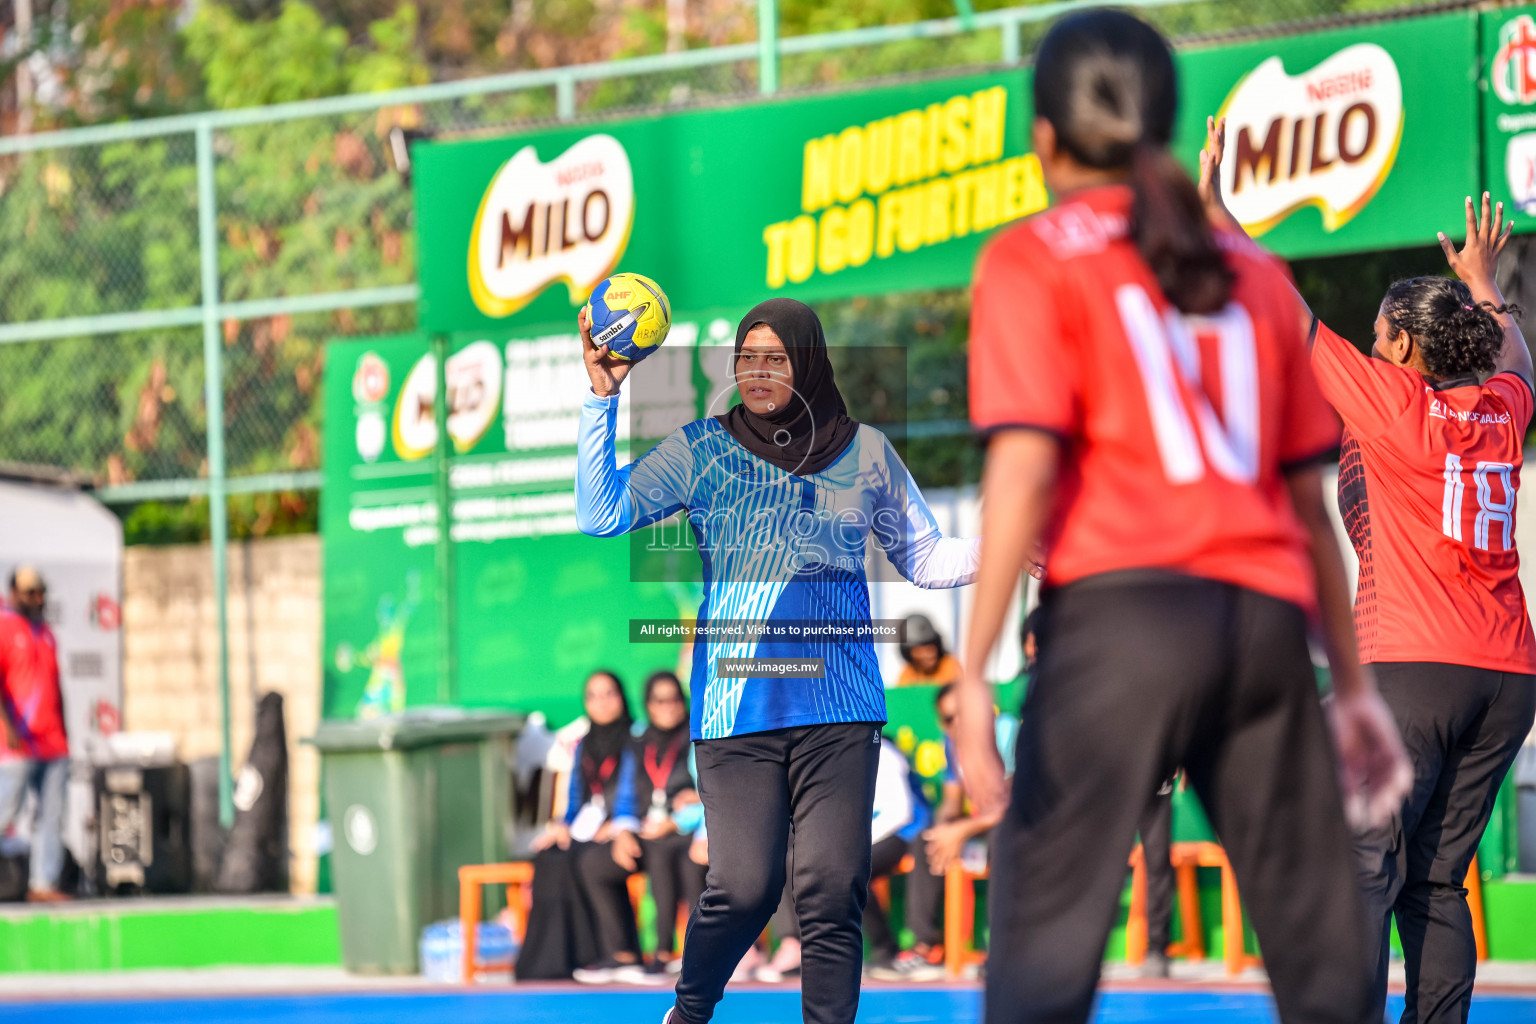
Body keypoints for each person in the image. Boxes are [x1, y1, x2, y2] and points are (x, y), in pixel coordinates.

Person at [955, 11, 1411, 1024]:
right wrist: (1355, 685)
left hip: (1121, 620)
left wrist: (975, 665)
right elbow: (1304, 499)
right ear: (1165, 124)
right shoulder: (1249, 272)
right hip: (1260, 623)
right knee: (1324, 955)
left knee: (1043, 948)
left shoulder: (1031, 258)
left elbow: (1024, 464)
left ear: (1043, 138)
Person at [1202, 116, 1536, 1023]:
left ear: (1398, 349)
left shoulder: (1394, 403)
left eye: (1378, 330)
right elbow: (1521, 363)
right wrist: (1485, 284)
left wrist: (1223, 219)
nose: (1368, 338)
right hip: (1506, 677)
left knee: (1359, 866)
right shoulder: (1498, 412)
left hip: (1413, 668)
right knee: (1435, 881)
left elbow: (1281, 307)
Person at [575, 296, 979, 1024]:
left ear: (808, 364)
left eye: (776, 357)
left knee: (831, 886)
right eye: (747, 357)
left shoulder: (867, 453)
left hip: (841, 705)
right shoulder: (700, 452)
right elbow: (601, 514)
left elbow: (926, 556)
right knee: (746, 886)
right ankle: (690, 1009)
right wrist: (602, 397)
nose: (758, 371)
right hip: (736, 709)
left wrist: (1011, 549)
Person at [869, 681, 1013, 982]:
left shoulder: (1007, 732)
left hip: (1021, 824)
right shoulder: (954, 744)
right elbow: (951, 800)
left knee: (1004, 837)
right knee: (927, 838)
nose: (958, 723)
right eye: (949, 719)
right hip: (982, 825)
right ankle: (926, 948)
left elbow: (1012, 806)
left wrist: (959, 830)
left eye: (963, 714)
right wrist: (943, 828)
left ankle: (1004, 948)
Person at [760, 733, 925, 983]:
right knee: (789, 856)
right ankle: (795, 945)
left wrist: (849, 844)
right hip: (855, 838)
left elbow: (899, 814)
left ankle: (886, 951)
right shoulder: (830, 761)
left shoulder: (883, 753)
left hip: (898, 836)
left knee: (848, 868)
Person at [578, 670, 706, 982]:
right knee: (594, 862)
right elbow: (626, 796)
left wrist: (677, 820)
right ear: (648, 704)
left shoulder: (695, 735)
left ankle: (667, 952)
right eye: (659, 700)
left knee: (671, 855)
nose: (668, 706)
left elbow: (706, 790)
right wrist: (624, 829)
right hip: (646, 830)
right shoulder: (638, 742)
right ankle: (623, 954)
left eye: (674, 699)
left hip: (685, 832)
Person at [517, 669, 640, 982]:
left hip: (621, 827)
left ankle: (596, 952)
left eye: (609, 693)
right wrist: (561, 826)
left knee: (581, 859)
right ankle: (553, 960)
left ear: (622, 697)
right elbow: (575, 798)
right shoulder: (585, 743)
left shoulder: (635, 739)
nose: (601, 702)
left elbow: (631, 794)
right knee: (550, 857)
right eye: (593, 696)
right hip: (586, 828)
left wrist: (614, 825)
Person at [0, 566, 70, 902]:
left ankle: (43, 883)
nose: (37, 598)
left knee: (51, 817)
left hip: (53, 742)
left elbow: (56, 688)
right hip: (17, 743)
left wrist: (66, 731)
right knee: (4, 814)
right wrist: (8, 728)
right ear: (13, 593)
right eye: (30, 592)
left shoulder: (45, 633)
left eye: (40, 591)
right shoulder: (4, 627)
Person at [895, 614, 962, 687]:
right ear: (909, 652)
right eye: (920, 650)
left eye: (931, 646)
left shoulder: (950, 666)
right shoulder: (907, 675)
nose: (930, 654)